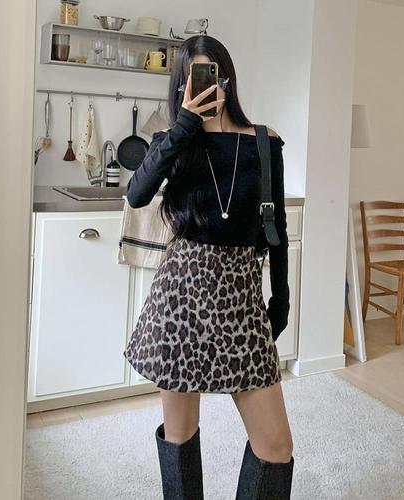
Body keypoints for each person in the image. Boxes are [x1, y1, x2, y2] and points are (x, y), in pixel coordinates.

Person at [123, 34, 294, 500]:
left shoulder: (265, 143)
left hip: (241, 298)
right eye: (190, 78)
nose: (200, 85)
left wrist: (280, 300)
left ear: (226, 80)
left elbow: (276, 229)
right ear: (180, 87)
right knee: (180, 435)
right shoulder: (173, 141)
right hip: (181, 298)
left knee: (275, 445)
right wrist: (184, 125)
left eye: (209, 74)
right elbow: (136, 195)